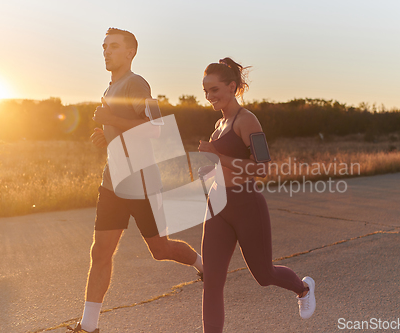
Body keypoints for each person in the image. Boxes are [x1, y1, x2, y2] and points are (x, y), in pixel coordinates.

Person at [66, 28, 203, 333]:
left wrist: (111, 120)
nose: (106, 51)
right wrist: (106, 135)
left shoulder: (136, 83)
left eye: (113, 46)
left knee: (160, 250)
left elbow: (156, 128)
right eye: (104, 46)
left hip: (142, 181)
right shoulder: (111, 87)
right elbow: (126, 130)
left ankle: (203, 265)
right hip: (113, 181)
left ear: (130, 53)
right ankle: (88, 325)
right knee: (100, 251)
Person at [198, 57, 316, 332]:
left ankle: (303, 289)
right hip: (217, 204)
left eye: (214, 89)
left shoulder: (247, 120)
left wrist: (218, 156)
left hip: (246, 204)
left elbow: (262, 168)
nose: (209, 96)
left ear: (232, 86)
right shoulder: (219, 125)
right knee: (212, 281)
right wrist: (211, 169)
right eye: (205, 91)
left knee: (264, 275)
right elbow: (224, 164)